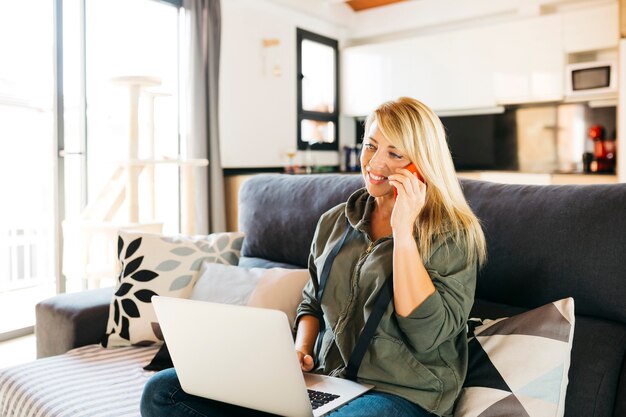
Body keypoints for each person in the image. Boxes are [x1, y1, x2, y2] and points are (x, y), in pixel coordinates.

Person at [140, 97, 486, 417]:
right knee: (164, 390)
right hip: (326, 382)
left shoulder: (452, 233)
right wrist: (299, 352)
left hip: (403, 394)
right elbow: (313, 302)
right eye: (371, 145)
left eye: (395, 155)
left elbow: (427, 334)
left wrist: (404, 230)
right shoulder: (335, 221)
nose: (375, 163)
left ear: (423, 165)